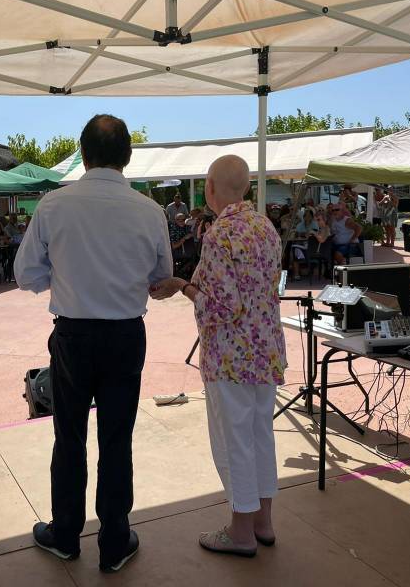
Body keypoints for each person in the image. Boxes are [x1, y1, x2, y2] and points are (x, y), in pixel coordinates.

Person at [15, 114, 172, 573]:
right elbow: (161, 279)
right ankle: (115, 540)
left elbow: (26, 274)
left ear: (83, 154)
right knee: (117, 437)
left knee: (69, 435)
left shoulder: (53, 204)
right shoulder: (150, 211)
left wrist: (62, 278)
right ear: (128, 156)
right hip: (125, 334)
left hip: (73, 335)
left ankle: (65, 533)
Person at [150, 154, 285, 558]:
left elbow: (222, 309)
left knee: (234, 442)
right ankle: (263, 522)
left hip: (231, 357)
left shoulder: (221, 233)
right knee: (261, 437)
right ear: (245, 187)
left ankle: (241, 531)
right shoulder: (265, 227)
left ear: (210, 187)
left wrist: (182, 286)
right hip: (266, 352)